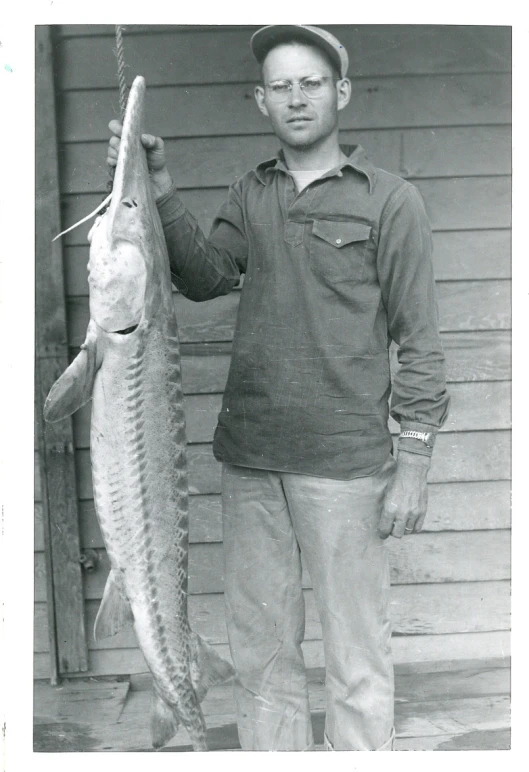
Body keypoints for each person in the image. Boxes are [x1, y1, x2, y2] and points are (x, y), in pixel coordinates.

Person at [107, 24, 450, 752]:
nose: (296, 98)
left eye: (311, 83)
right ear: (259, 99)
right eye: (281, 85)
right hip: (253, 460)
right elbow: (202, 278)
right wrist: (160, 192)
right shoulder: (250, 191)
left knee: (356, 658)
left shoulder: (390, 200)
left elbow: (418, 340)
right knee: (263, 654)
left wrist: (413, 461)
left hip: (347, 466)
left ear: (340, 93)